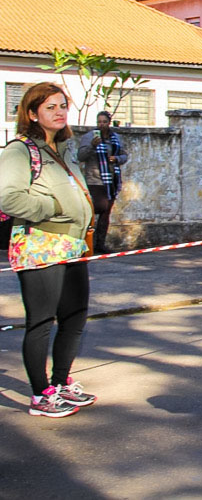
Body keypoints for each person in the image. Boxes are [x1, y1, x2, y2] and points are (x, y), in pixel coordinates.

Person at [0, 82, 97, 418]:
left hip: (71, 244)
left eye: (62, 106)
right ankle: (41, 395)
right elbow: (8, 197)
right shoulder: (20, 150)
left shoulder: (64, 149)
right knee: (41, 321)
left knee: (74, 316)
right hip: (40, 244)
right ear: (31, 113)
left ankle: (60, 382)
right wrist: (54, 207)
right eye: (50, 107)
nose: (59, 112)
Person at [75, 110, 128, 254]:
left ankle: (100, 243)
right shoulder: (89, 137)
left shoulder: (115, 138)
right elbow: (81, 156)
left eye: (104, 122)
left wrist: (117, 159)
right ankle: (86, 242)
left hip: (112, 180)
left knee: (106, 214)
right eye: (99, 122)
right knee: (96, 209)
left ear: (109, 123)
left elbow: (124, 155)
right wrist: (92, 145)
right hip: (95, 179)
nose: (101, 125)